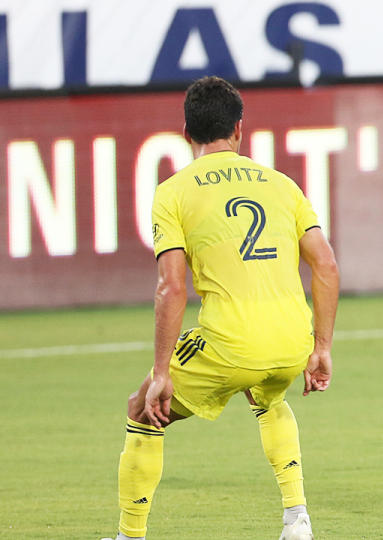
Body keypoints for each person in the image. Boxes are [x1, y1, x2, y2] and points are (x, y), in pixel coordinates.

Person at [104, 76, 339, 540]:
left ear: (187, 133)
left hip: (230, 342)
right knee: (269, 396)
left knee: (141, 408)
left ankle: (129, 536)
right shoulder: (281, 184)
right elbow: (326, 265)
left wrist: (161, 373)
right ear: (239, 129)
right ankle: (298, 520)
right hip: (292, 339)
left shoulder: (173, 192)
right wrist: (322, 347)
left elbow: (172, 287)